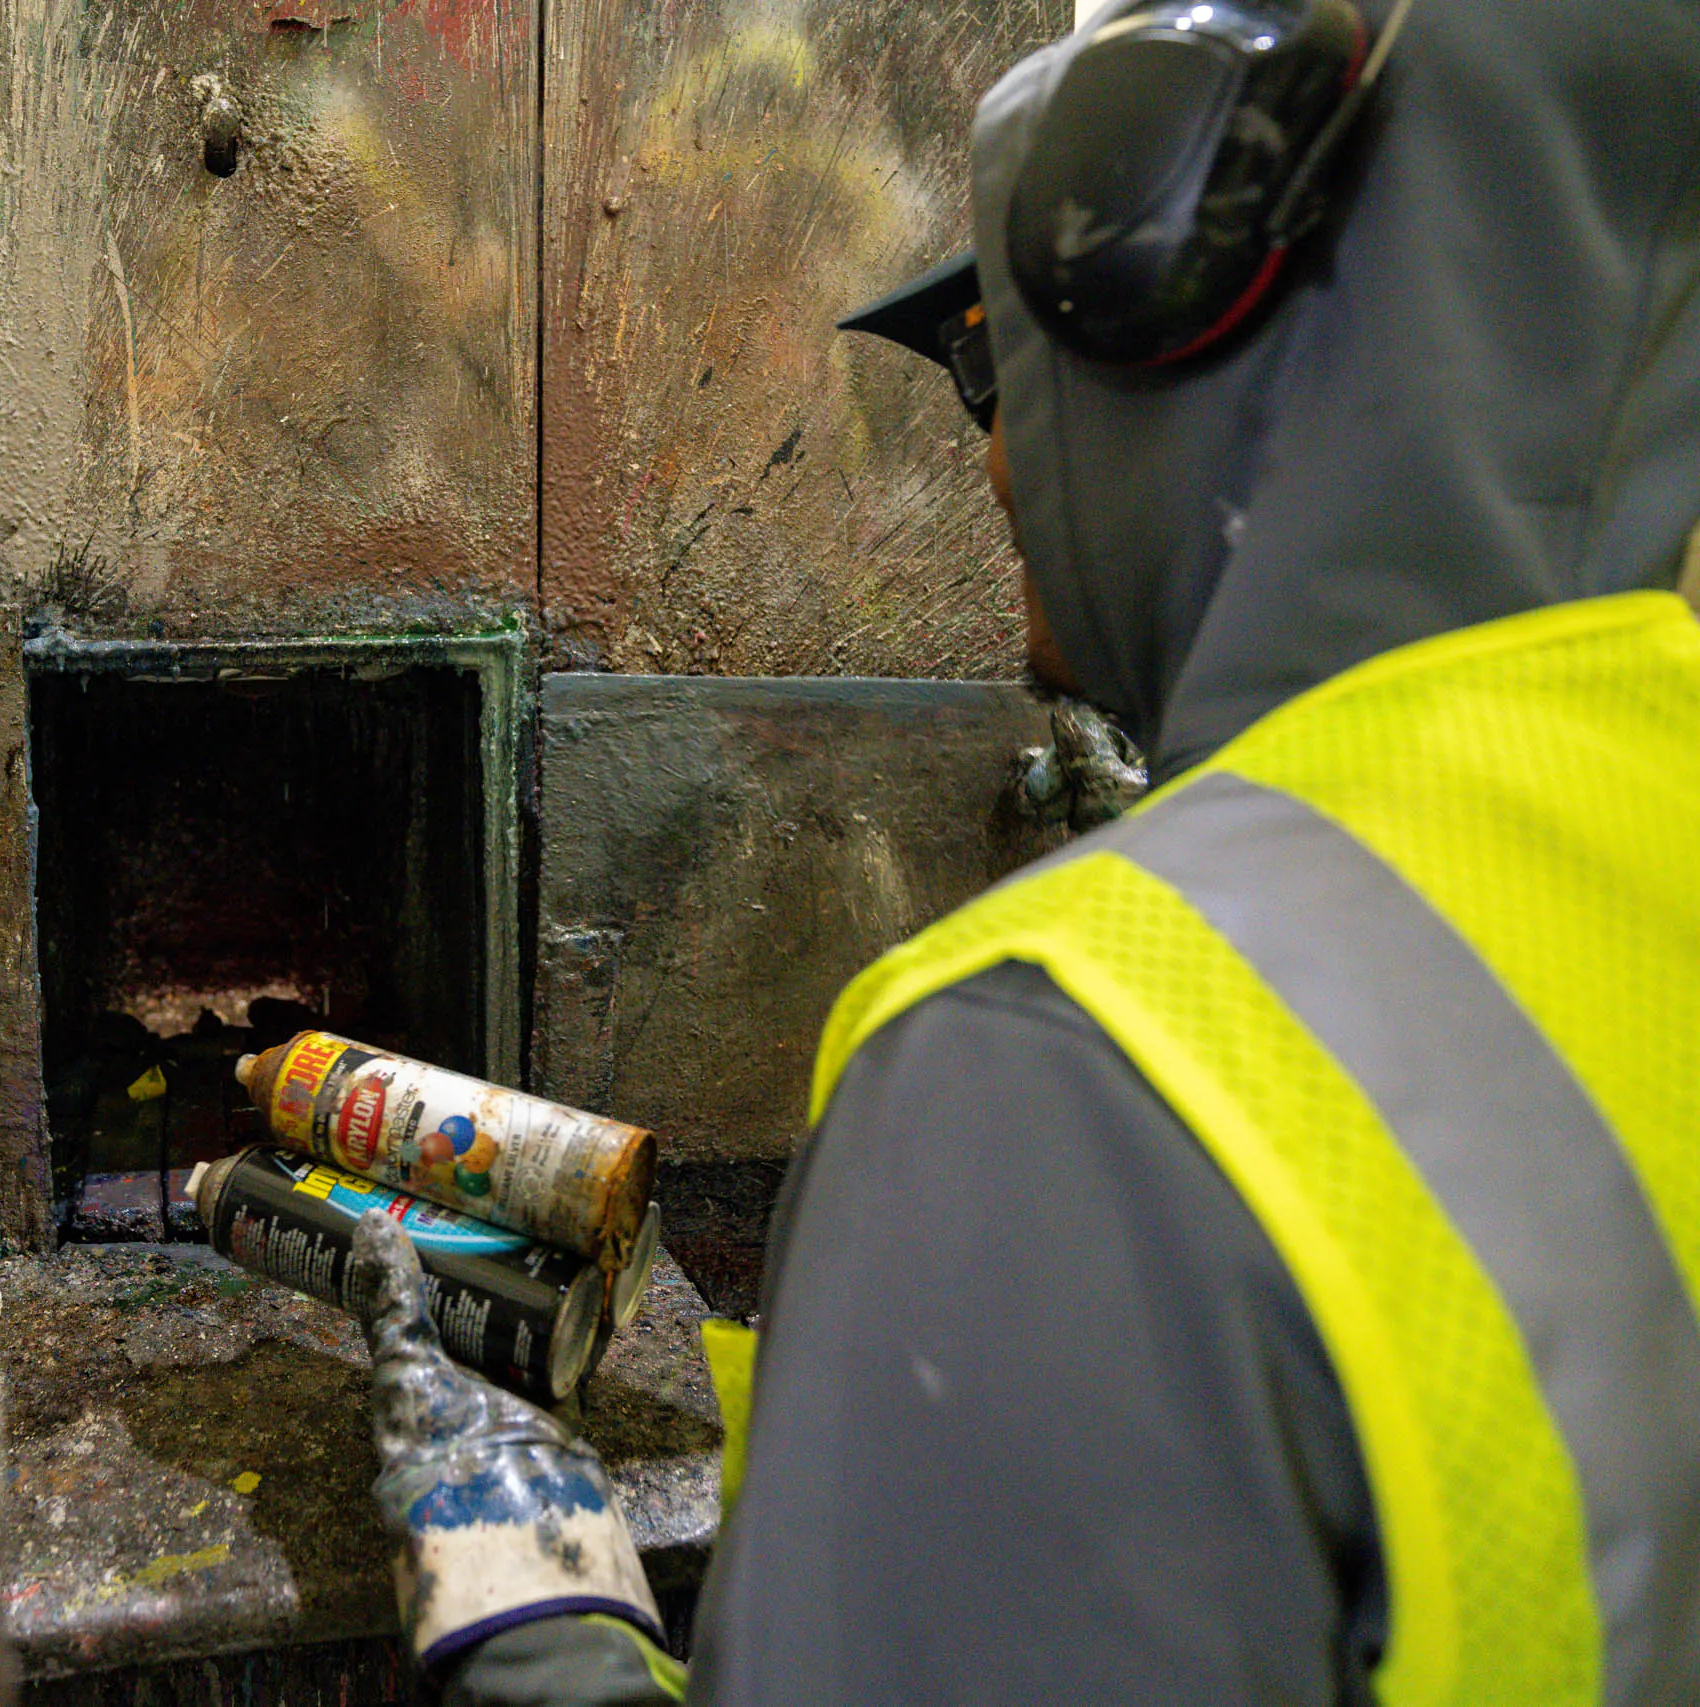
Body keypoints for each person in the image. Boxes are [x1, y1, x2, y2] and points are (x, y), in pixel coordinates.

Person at [344, 0, 1700, 1700]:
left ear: (1158, 284)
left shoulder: (1062, 1069)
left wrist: (534, 1615)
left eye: (998, 362)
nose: (987, 460)